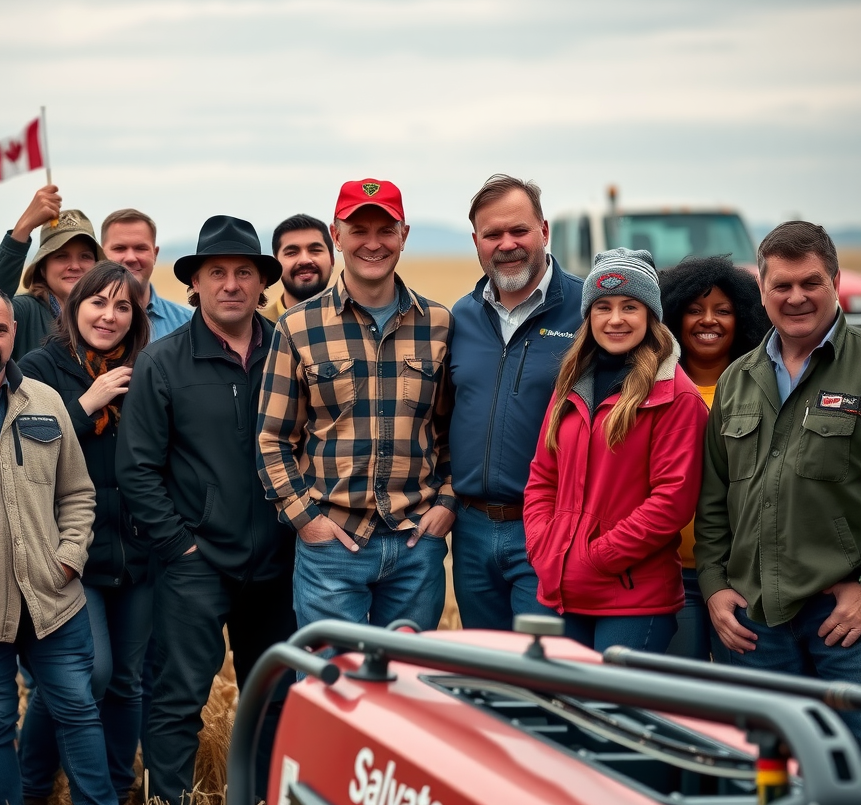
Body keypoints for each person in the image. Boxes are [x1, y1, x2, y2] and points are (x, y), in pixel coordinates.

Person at [117, 215, 296, 805]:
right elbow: (137, 467)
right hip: (195, 562)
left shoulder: (289, 353)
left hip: (278, 559)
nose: (230, 284)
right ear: (194, 283)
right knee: (178, 697)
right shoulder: (163, 363)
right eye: (215, 272)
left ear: (261, 282)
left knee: (274, 696)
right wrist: (179, 546)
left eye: (244, 272)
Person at [0, 281, 117, 805]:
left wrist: (68, 558)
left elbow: (77, 492)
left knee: (78, 709)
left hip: (52, 599)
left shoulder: (42, 401)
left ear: (14, 331)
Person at [257, 179, 455, 630]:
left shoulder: (439, 324)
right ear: (336, 235)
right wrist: (306, 520)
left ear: (404, 235)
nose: (372, 243)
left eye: (385, 230)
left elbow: (452, 431)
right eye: (358, 229)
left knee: (407, 688)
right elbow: (272, 437)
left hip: (415, 544)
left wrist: (446, 502)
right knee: (332, 685)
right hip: (331, 545)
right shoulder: (296, 326)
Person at [695, 222, 861, 737]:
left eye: (810, 282)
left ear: (834, 279)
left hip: (842, 624)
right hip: (754, 626)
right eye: (781, 286)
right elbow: (714, 501)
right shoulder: (737, 380)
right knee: (767, 774)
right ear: (762, 291)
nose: (796, 298)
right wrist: (715, 587)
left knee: (849, 775)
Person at [18, 261, 152, 805]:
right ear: (74, 307)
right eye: (99, 302)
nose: (110, 316)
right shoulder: (39, 370)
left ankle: (116, 797)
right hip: (72, 553)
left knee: (126, 683)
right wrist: (85, 405)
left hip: (140, 551)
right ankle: (33, 786)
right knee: (84, 674)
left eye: (124, 306)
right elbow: (23, 454)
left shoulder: (149, 368)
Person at [523, 248, 708, 653]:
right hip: (562, 590)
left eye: (630, 306)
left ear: (651, 314)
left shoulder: (674, 395)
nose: (616, 319)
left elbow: (671, 502)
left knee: (613, 715)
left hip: (632, 598)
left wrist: (598, 558)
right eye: (603, 307)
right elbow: (542, 477)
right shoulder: (571, 384)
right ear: (589, 315)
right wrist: (545, 546)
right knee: (566, 713)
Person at [448, 174, 584, 629]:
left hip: (550, 526)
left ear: (544, 230)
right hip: (471, 530)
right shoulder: (460, 317)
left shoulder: (590, 311)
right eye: (492, 234)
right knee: (485, 673)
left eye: (519, 230)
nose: (507, 244)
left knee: (539, 674)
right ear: (476, 242)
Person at [659, 256, 769, 659]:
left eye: (723, 310)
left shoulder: (763, 390)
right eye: (694, 310)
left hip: (740, 577)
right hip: (669, 574)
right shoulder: (654, 389)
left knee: (735, 703)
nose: (709, 320)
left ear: (743, 318)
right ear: (672, 318)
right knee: (680, 701)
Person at [0, 185, 105, 360]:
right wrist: (24, 227)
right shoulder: (25, 311)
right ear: (42, 267)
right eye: (61, 256)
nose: (75, 266)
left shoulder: (108, 316)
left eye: (85, 256)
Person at [101, 208, 193, 341]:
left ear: (155, 255)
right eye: (120, 248)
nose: (131, 258)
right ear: (102, 254)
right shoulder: (82, 323)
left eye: (140, 248)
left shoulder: (187, 324)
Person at [260, 214, 336, 322]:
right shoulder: (256, 328)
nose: (304, 260)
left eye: (315, 250)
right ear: (276, 264)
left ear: (332, 260)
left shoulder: (359, 321)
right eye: (292, 253)